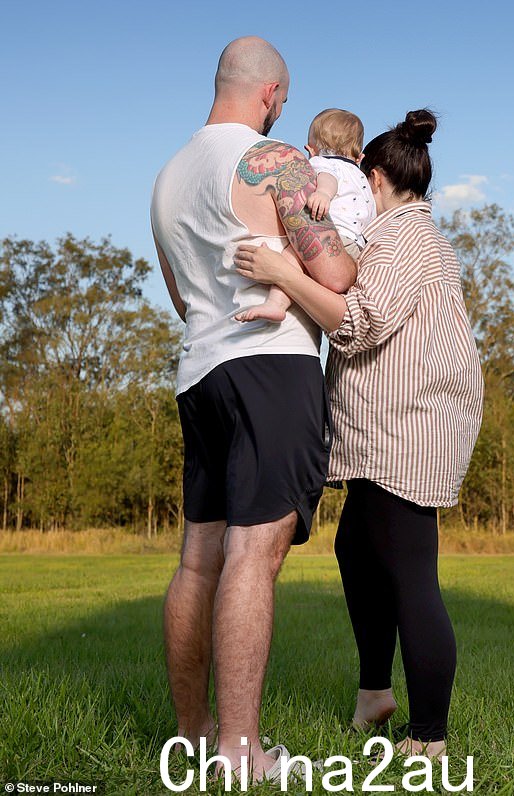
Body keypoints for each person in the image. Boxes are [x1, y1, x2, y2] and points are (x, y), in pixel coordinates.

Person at [234, 109, 485, 759]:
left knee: (410, 575)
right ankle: (375, 693)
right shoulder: (398, 237)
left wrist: (287, 276)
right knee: (356, 551)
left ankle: (428, 734)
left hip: (411, 431)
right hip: (387, 429)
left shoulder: (405, 238)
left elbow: (361, 323)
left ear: (374, 178)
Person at [150, 36, 357, 782]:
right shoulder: (273, 161)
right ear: (271, 94)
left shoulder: (167, 177)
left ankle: (194, 734)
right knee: (252, 555)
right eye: (285, 102)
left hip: (199, 371)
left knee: (197, 559)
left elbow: (181, 297)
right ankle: (241, 750)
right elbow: (333, 267)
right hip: (271, 368)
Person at [236, 108, 374, 323]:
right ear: (360, 156)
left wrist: (322, 193)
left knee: (296, 253)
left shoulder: (321, 162)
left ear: (311, 149)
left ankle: (276, 303)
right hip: (357, 247)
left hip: (334, 236)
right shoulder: (363, 178)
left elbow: (328, 178)